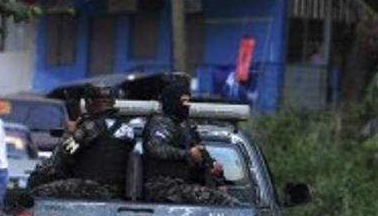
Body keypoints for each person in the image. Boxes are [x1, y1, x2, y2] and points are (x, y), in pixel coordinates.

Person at [27, 83, 136, 199]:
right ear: (113, 102)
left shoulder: (90, 127)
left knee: (36, 193)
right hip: (117, 191)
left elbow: (61, 157)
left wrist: (69, 133)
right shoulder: (128, 128)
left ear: (88, 102)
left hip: (91, 188)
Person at [142, 78, 239, 206]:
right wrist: (187, 154)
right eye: (184, 101)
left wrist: (213, 167)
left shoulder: (184, 126)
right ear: (173, 101)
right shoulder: (161, 123)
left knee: (223, 199)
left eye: (189, 101)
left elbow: (199, 150)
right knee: (225, 203)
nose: (187, 105)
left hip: (182, 186)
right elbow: (155, 148)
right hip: (163, 187)